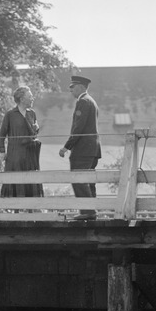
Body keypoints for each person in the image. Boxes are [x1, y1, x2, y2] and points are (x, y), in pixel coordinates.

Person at [58, 74, 101, 220]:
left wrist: (66, 147)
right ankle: (91, 211)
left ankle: (87, 212)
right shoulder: (92, 101)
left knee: (78, 178)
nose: (70, 90)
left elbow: (78, 127)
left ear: (81, 87)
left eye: (73, 87)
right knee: (89, 180)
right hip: (92, 149)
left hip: (83, 149)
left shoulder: (82, 101)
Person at [0, 85, 43, 200]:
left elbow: (34, 134)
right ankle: (15, 212)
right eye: (30, 96)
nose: (32, 98)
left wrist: (36, 129)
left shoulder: (32, 113)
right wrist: (2, 151)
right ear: (22, 99)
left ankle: (31, 212)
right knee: (15, 181)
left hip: (30, 156)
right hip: (15, 155)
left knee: (30, 182)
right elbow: (2, 135)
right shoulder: (10, 115)